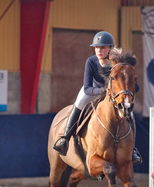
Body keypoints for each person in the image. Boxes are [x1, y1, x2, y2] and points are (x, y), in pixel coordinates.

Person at [53, 31, 142, 165]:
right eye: (97, 47)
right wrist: (102, 91)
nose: (99, 50)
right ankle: (65, 138)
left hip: (114, 94)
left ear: (110, 49)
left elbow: (130, 82)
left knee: (129, 112)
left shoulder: (117, 63)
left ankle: (133, 149)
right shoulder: (91, 61)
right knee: (79, 103)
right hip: (93, 90)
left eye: (103, 47)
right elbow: (87, 87)